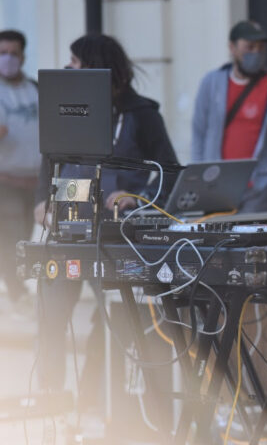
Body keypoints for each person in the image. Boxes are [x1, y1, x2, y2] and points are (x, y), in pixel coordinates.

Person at [34, 33, 179, 396]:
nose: (68, 69)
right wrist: (42, 201)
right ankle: (50, 397)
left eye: (75, 63)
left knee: (111, 320)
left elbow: (170, 170)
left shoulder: (141, 114)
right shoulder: (68, 107)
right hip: (67, 229)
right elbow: (50, 158)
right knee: (51, 315)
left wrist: (140, 200)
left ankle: (95, 398)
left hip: (116, 234)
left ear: (96, 67)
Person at [191, 20, 267, 214]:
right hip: (215, 190)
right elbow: (199, 134)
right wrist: (200, 179)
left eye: (261, 48)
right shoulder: (211, 83)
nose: (256, 53)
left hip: (259, 192)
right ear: (232, 48)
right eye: (250, 47)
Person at [0, 29, 40, 304]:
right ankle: (17, 293)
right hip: (5, 181)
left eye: (13, 53)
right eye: (2, 53)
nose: (8, 59)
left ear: (23, 56)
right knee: (11, 237)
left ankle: (19, 289)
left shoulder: (35, 89)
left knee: (25, 236)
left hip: (35, 180)